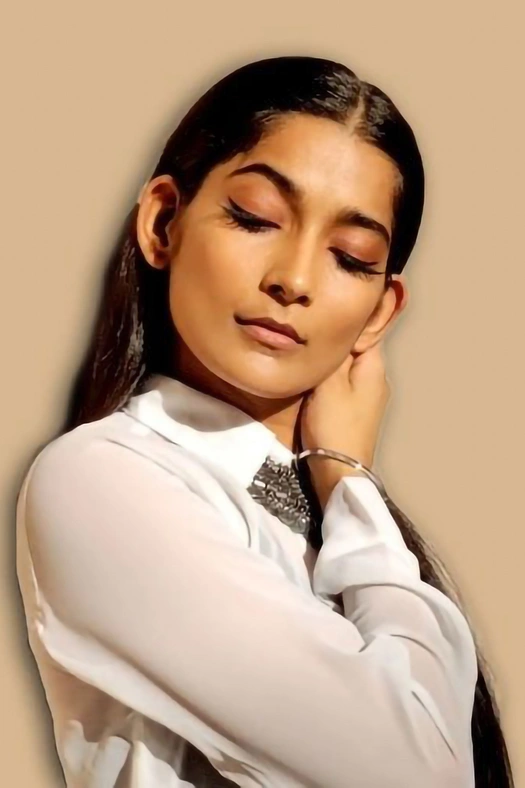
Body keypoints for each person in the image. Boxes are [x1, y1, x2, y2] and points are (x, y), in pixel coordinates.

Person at [15, 55, 514, 787]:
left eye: (350, 257)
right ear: (162, 222)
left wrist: (344, 486)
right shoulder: (100, 478)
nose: (294, 279)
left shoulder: (331, 514)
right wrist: (351, 478)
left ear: (380, 312)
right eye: (254, 218)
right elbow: (418, 773)